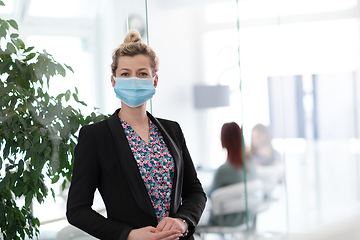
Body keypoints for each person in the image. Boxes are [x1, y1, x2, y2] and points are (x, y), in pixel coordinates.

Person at [66, 29, 207, 240]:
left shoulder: (172, 130)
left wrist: (182, 221)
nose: (134, 80)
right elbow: (77, 210)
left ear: (154, 81)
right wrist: (129, 235)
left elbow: (195, 191)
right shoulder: (95, 137)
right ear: (113, 82)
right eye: (125, 74)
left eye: (142, 73)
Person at [206, 122, 257, 227]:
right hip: (247, 216)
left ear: (223, 141)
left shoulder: (224, 170)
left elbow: (208, 196)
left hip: (226, 219)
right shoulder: (251, 164)